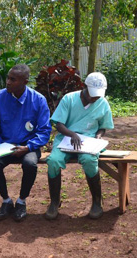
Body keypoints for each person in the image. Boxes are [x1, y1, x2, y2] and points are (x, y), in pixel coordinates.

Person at [0, 64, 52, 222]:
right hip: (5, 147)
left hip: (29, 147)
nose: (8, 82)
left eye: (13, 79)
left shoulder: (38, 100)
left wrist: (28, 147)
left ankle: (21, 201)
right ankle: (6, 201)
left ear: (25, 82)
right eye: (8, 78)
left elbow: (44, 131)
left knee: (30, 164)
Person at [45, 72, 114, 220]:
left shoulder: (102, 102)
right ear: (84, 87)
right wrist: (72, 134)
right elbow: (59, 124)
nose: (95, 98)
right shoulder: (69, 99)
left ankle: (97, 202)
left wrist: (98, 136)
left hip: (88, 142)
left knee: (89, 161)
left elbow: (103, 126)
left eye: (98, 95)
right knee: (54, 161)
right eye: (92, 94)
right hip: (66, 139)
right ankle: (54, 202)